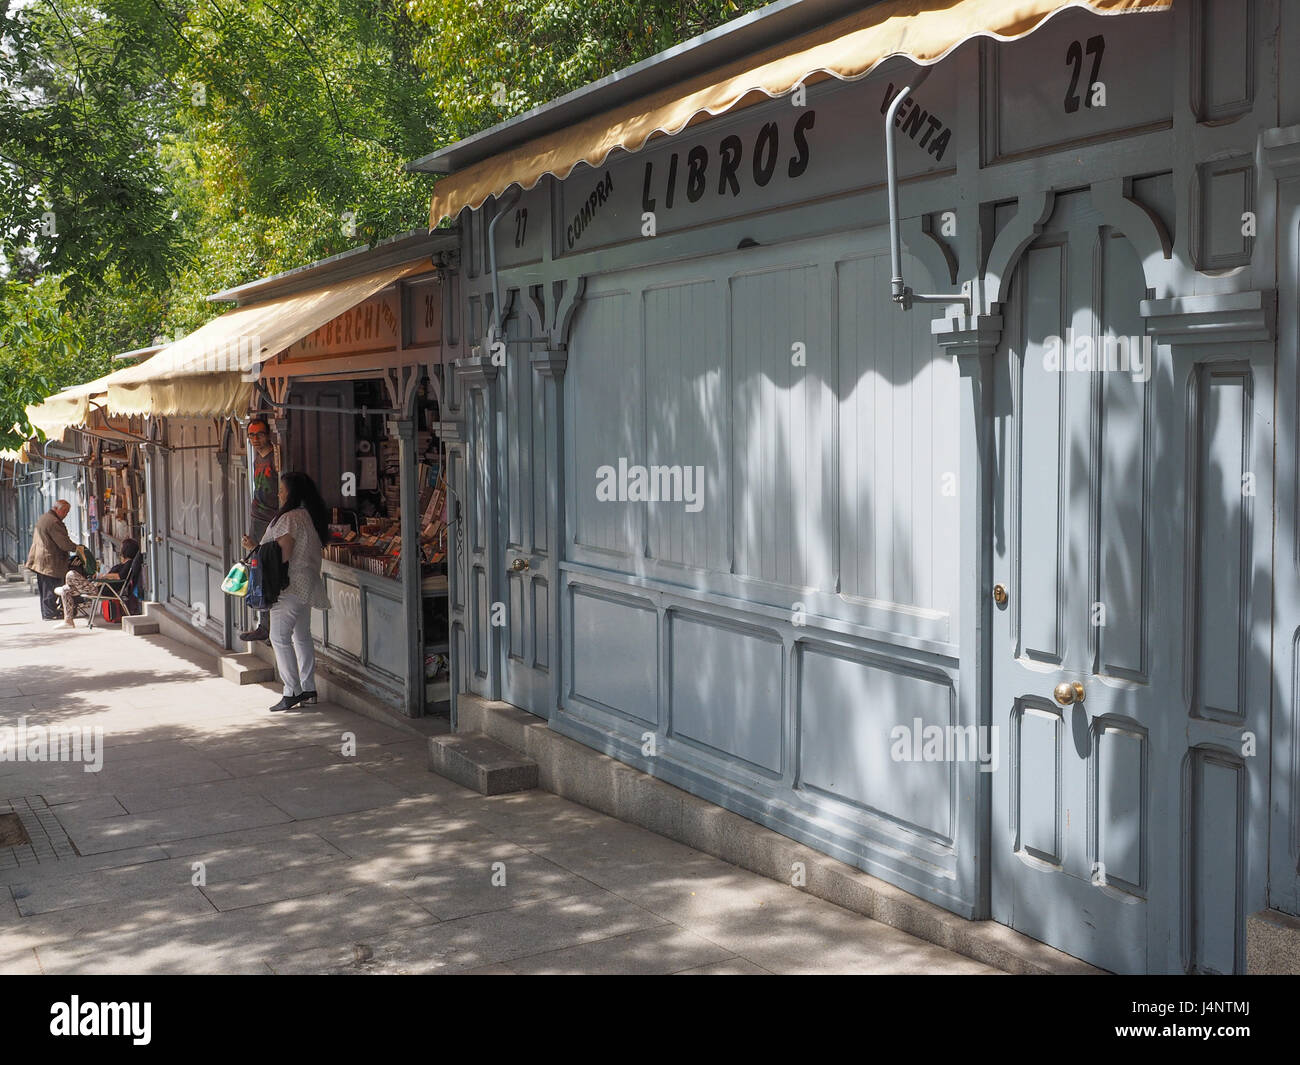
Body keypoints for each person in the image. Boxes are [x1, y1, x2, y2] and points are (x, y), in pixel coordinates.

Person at [242, 471, 330, 712]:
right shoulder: (306, 515)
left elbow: (283, 553)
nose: (279, 494)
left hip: (289, 586)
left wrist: (256, 549)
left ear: (292, 493)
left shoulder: (289, 518)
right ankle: (309, 688)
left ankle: (292, 690)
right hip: (306, 584)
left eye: (282, 490)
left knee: (279, 637)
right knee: (301, 636)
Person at [239, 417, 279, 644]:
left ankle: (270, 627)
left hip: (272, 520)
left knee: (269, 570)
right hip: (257, 518)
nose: (255, 439)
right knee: (257, 571)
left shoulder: (276, 456)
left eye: (259, 434)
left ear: (268, 434)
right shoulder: (256, 456)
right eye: (251, 435)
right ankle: (263, 623)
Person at [54, 537, 141, 627]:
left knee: (70, 574)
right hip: (99, 587)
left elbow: (119, 576)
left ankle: (71, 588)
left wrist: (102, 576)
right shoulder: (123, 564)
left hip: (101, 590)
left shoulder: (128, 564)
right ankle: (68, 621)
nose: (120, 549)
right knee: (65, 590)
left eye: (122, 547)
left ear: (126, 549)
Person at [26, 499, 80, 621]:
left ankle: (48, 612)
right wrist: (77, 548)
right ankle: (50, 614)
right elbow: (63, 543)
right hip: (49, 561)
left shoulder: (45, 517)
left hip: (42, 560)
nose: (66, 514)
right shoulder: (54, 522)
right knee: (50, 588)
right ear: (56, 509)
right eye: (64, 511)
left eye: (67, 512)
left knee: (46, 588)